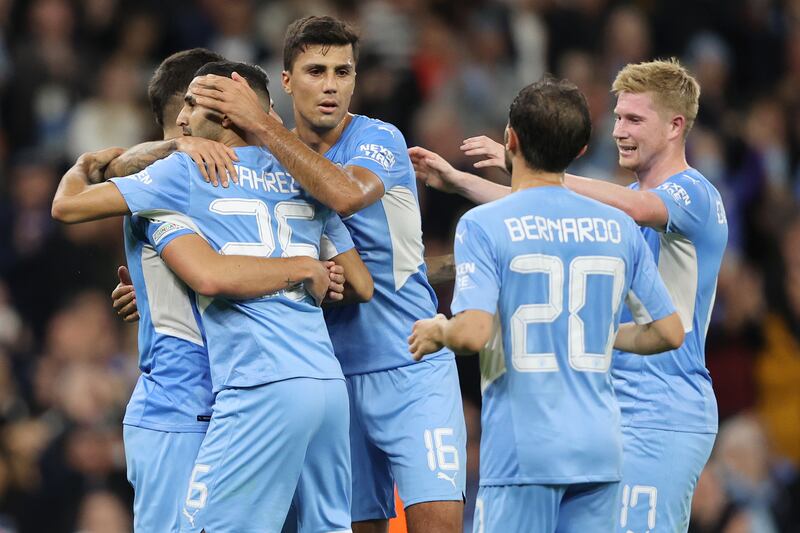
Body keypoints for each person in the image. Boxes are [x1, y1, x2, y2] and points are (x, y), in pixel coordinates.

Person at [410, 58, 728, 532]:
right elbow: (541, 209)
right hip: (612, 404)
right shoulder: (615, 210)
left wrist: (538, 167)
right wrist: (466, 182)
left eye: (635, 119)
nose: (620, 130)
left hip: (664, 405)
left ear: (676, 126)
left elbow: (625, 206)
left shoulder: (693, 194)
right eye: (618, 117)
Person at [52, 61, 370, 533]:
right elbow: (360, 282)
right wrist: (313, 273)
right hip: (318, 381)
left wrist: (84, 164)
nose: (184, 120)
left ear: (225, 113)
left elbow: (69, 206)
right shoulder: (304, 173)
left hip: (244, 387)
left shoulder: (183, 174)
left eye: (194, 107)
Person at [187, 15, 467, 533]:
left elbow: (344, 194)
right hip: (331, 377)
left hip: (412, 365)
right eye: (316, 70)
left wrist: (264, 125)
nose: (332, 85)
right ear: (288, 80)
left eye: (344, 71)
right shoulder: (266, 163)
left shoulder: (376, 140)